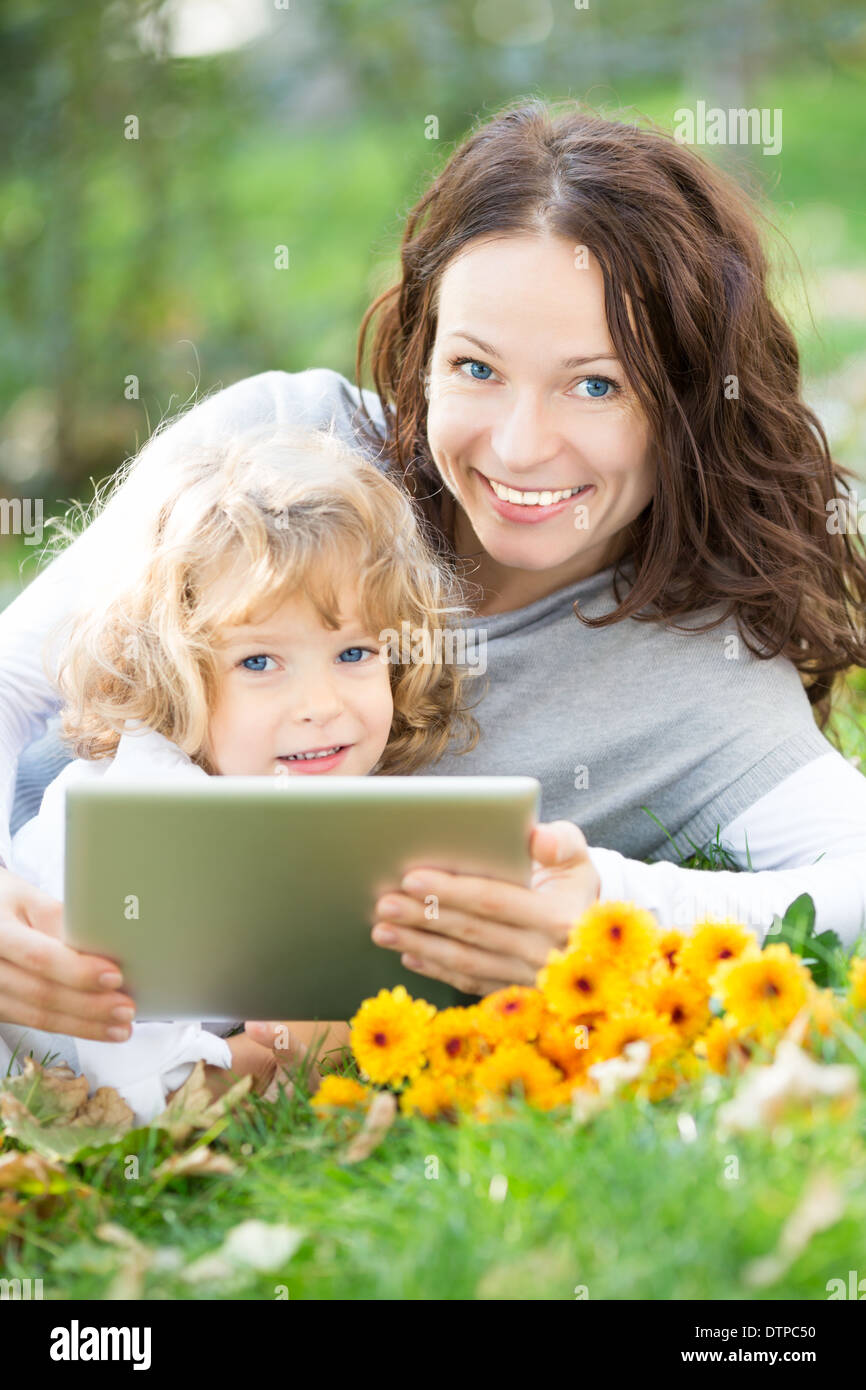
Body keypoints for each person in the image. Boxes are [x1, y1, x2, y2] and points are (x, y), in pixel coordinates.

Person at [1, 98, 865, 1037]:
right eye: (477, 369)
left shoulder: (698, 677)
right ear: (422, 355)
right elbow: (14, 677)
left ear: (689, 399)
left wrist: (609, 915)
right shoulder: (280, 449)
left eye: (595, 384)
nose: (521, 447)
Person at [0, 425, 481, 1118]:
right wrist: (299, 1056)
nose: (320, 707)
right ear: (171, 675)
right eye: (259, 662)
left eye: (353, 654)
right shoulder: (143, 829)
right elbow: (130, 1097)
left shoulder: (304, 803)